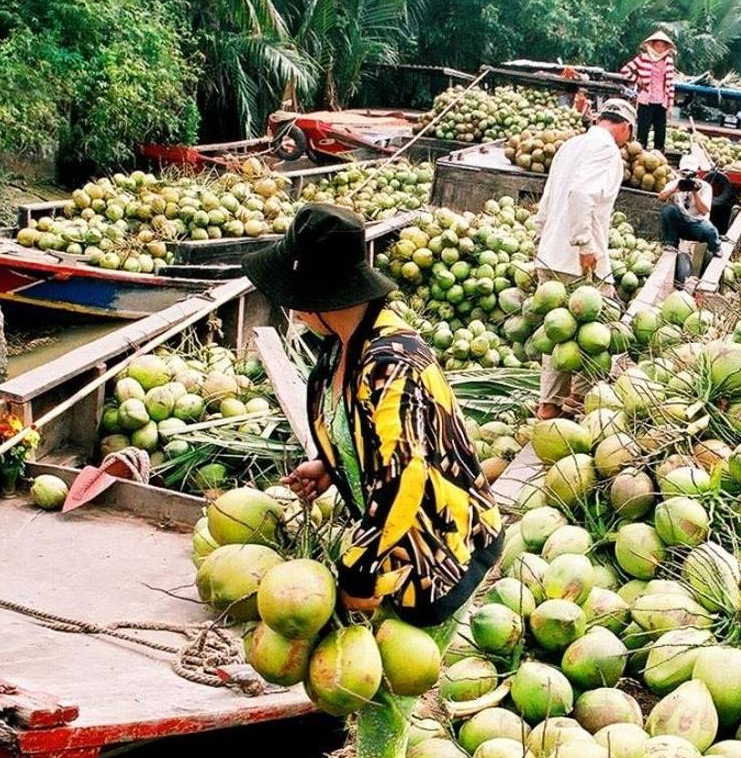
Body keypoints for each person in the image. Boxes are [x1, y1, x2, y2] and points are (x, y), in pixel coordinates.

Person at [243, 204, 504, 754]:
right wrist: (330, 467)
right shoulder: (342, 345)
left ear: (313, 294)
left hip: (439, 545)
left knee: (384, 695)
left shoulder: (394, 363)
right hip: (389, 541)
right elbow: (369, 439)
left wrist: (357, 578)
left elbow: (402, 480)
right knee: (377, 690)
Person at [532, 98, 634, 420]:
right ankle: (578, 401)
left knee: (559, 334)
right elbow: (580, 194)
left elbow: (548, 198)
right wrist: (585, 244)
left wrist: (540, 238)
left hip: (550, 255)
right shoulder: (607, 151)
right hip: (579, 260)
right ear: (625, 127)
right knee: (597, 333)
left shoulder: (571, 145)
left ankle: (549, 405)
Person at [656, 151, 721, 289]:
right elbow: (661, 198)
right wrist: (675, 189)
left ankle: (715, 250)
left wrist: (694, 192)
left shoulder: (705, 187)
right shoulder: (675, 184)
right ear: (679, 172)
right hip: (681, 224)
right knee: (669, 210)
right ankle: (670, 244)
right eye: (684, 174)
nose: (687, 178)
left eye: (691, 175)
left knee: (710, 231)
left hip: (697, 224)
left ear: (697, 173)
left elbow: (704, 211)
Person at [620, 30, 676, 151]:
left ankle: (659, 155)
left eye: (662, 46)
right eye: (657, 45)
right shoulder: (643, 58)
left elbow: (670, 84)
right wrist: (638, 80)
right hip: (646, 101)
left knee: (660, 131)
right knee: (643, 130)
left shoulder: (668, 61)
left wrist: (670, 104)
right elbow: (625, 70)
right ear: (652, 45)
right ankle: (639, 154)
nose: (660, 48)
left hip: (661, 102)